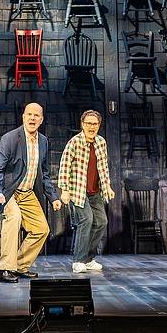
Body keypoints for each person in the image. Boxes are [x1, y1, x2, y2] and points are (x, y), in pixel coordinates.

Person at [0, 102, 62, 283]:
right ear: (23, 117)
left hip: (27, 192)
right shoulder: (10, 138)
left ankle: (19, 266)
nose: (32, 118)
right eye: (29, 114)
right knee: (14, 218)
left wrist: (53, 197)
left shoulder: (43, 141)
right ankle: (4, 268)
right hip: (8, 191)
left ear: (41, 120)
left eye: (36, 115)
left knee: (41, 229)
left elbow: (44, 173)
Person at [58, 110, 114, 273]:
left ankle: (88, 258)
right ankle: (78, 260)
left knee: (102, 222)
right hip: (78, 191)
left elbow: (103, 167)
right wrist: (64, 190)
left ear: (99, 125)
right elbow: (64, 166)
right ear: (82, 125)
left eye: (95, 124)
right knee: (86, 220)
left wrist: (107, 187)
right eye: (88, 123)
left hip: (95, 192)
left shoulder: (101, 142)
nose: (92, 127)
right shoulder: (74, 142)